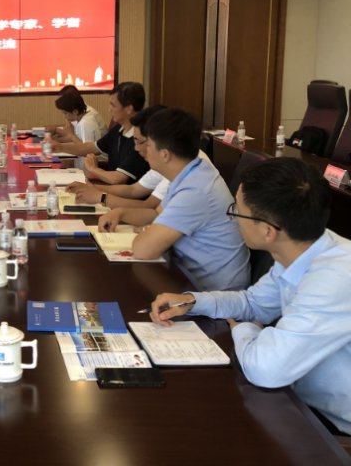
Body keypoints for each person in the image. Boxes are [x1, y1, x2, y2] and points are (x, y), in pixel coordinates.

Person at [149, 158, 351, 436]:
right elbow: (253, 302)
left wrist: (243, 329)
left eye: (237, 211)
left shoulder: (334, 278)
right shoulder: (304, 246)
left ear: (268, 231)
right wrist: (194, 301)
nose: (232, 218)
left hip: (334, 426)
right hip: (301, 399)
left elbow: (265, 369)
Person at [100, 108, 249, 291]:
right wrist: (120, 213)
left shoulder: (195, 189)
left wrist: (149, 231)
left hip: (214, 293)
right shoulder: (191, 171)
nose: (142, 149)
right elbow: (156, 215)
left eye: (148, 144)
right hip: (188, 276)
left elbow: (143, 250)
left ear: (165, 154)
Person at [68, 105, 167, 209]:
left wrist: (100, 197)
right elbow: (133, 190)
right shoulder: (158, 169)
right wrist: (92, 188)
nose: (136, 148)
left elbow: (149, 208)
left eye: (139, 142)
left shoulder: (174, 174)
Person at [52, 81, 148, 184]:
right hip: (109, 188)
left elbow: (117, 179)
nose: (109, 110)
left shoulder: (140, 140)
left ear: (129, 109)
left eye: (113, 105)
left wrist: (94, 169)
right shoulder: (118, 130)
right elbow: (90, 147)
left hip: (120, 191)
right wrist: (59, 147)